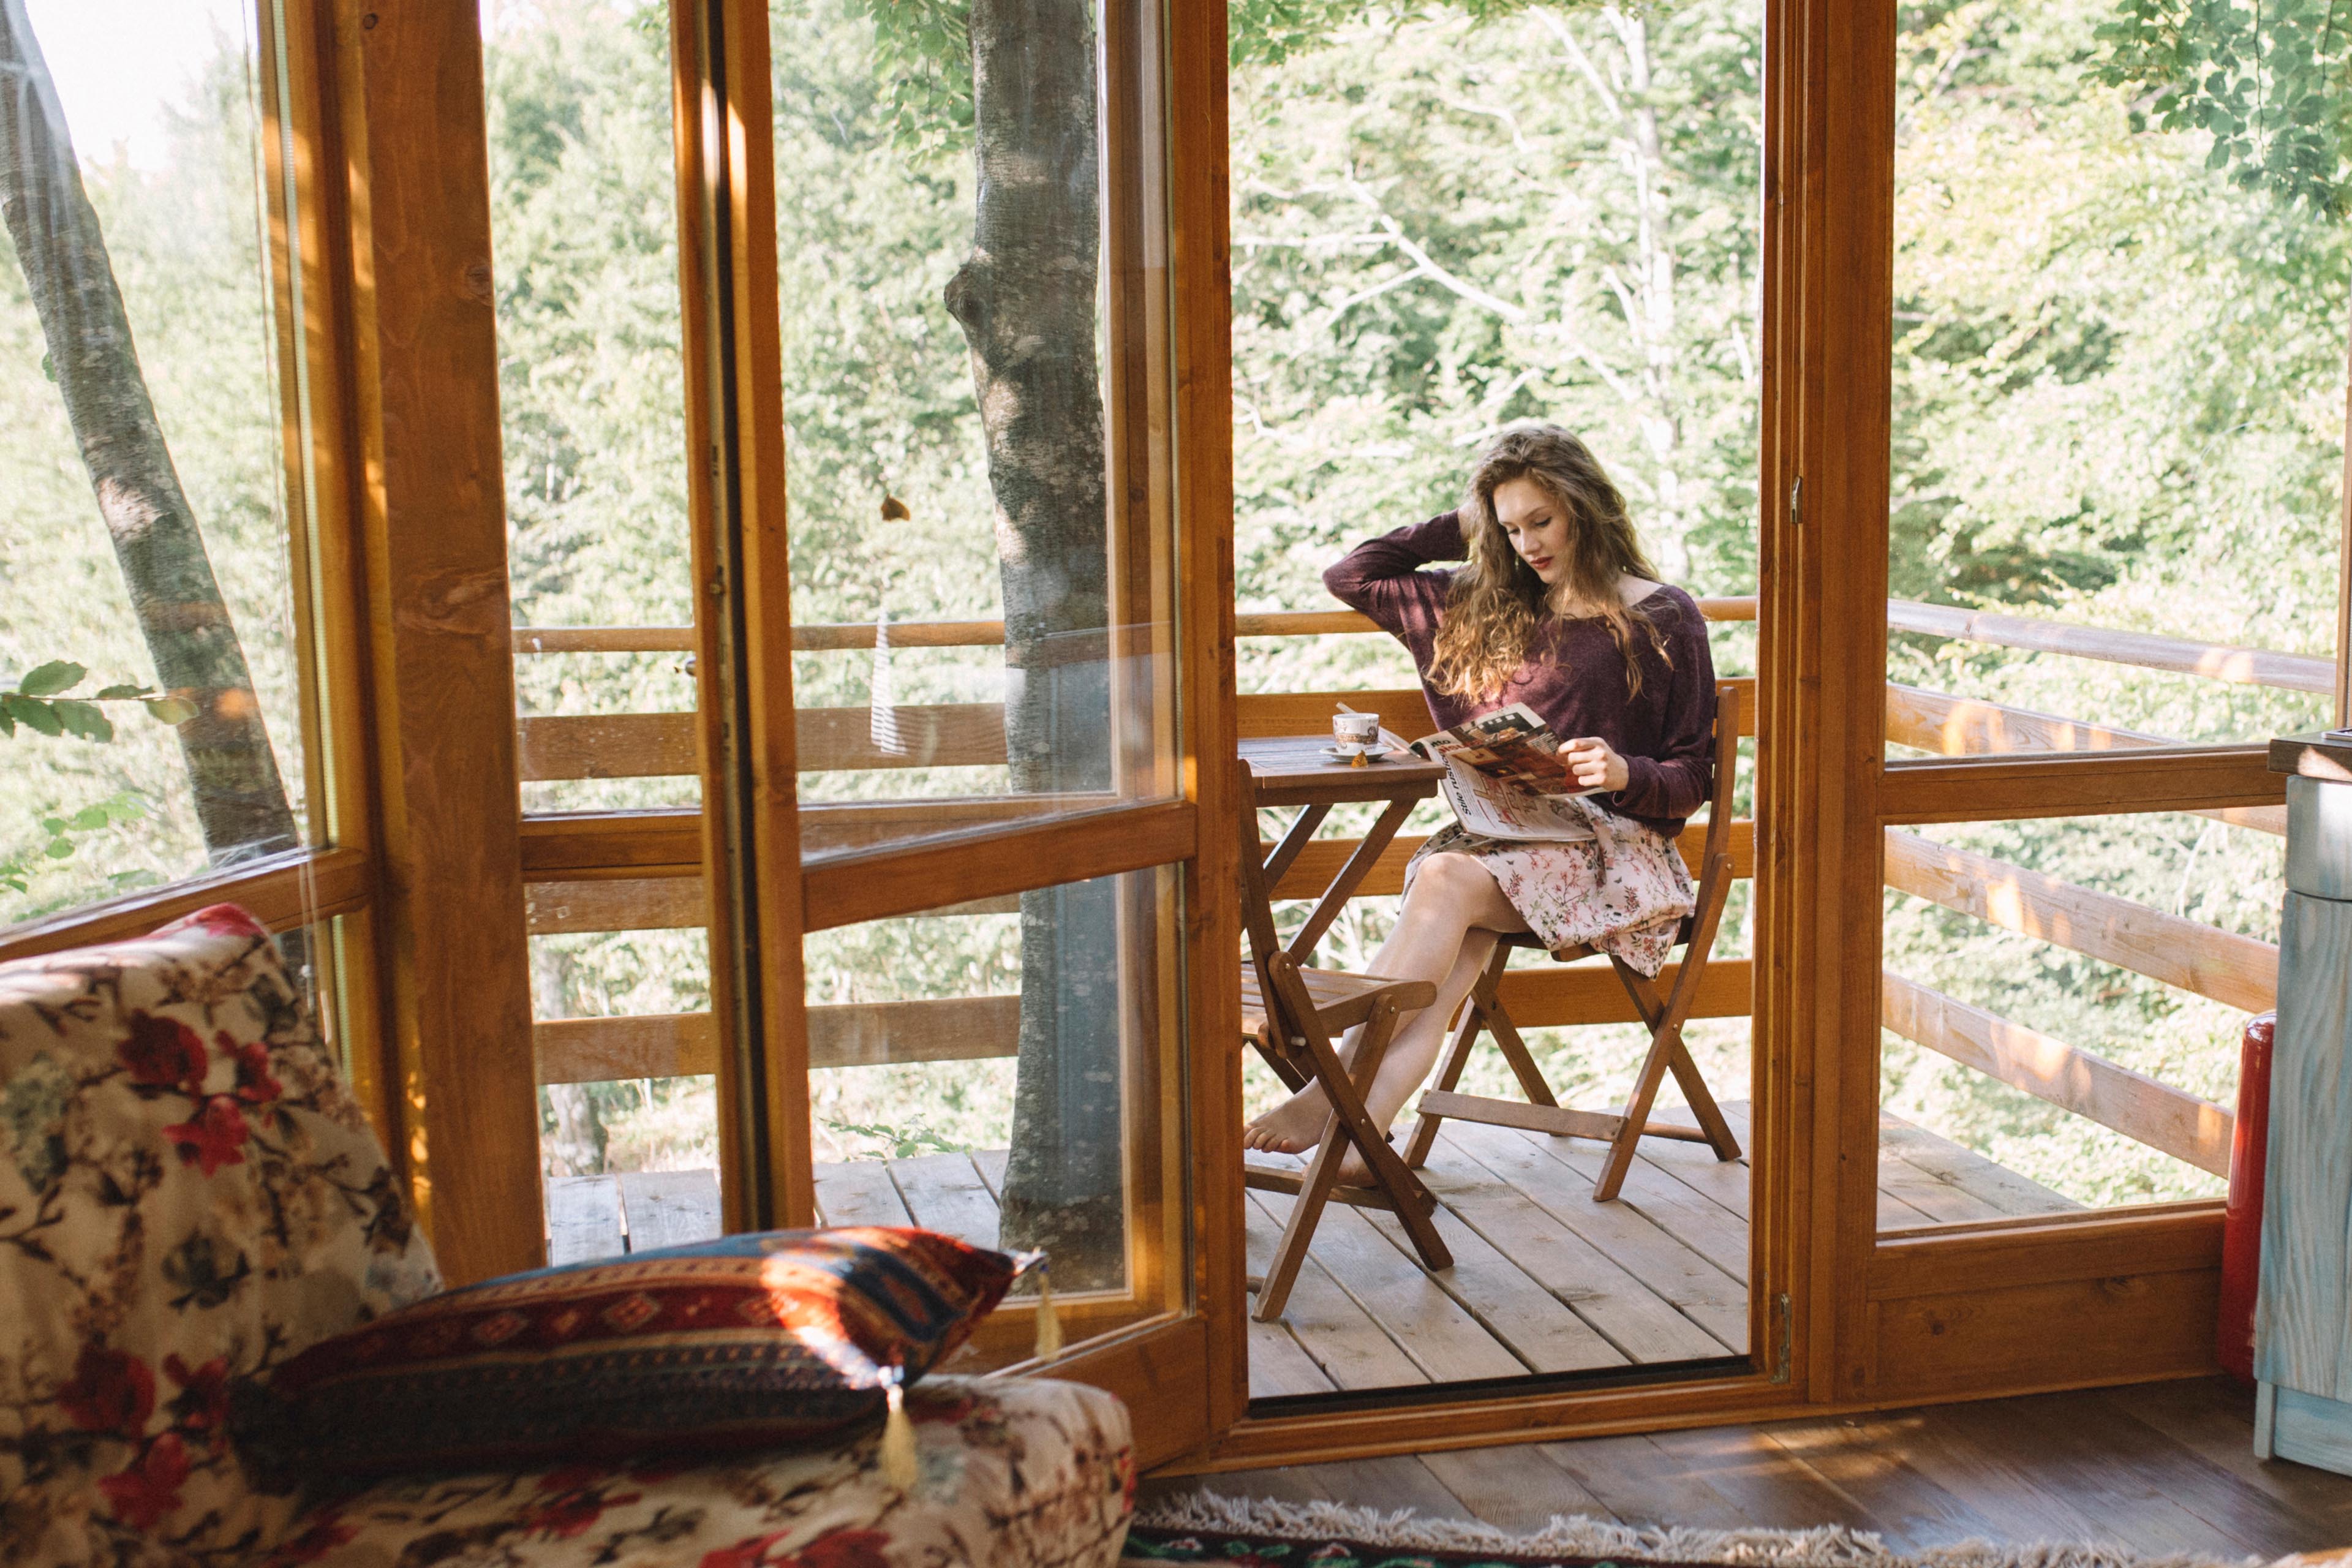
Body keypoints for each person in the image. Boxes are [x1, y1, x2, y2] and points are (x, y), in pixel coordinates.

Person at [1241, 424, 1717, 1180]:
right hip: (1504, 842)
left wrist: (1624, 772)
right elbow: (1354, 573)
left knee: (1444, 881)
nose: (1527, 543)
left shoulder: (1663, 616)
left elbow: (1696, 772)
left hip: (1617, 856)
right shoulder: (1476, 604)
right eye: (1511, 527)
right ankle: (1362, 1128)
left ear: (1586, 508)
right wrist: (1473, 519)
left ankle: (1330, 1081)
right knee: (1453, 944)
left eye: (1543, 520)